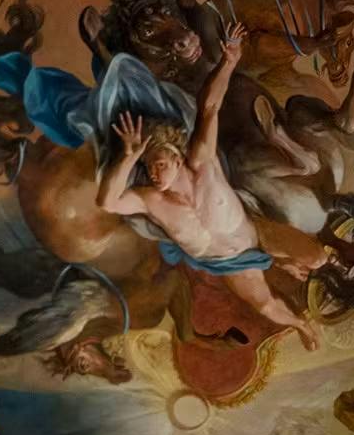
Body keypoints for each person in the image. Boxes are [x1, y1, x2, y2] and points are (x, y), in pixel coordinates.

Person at [96, 25, 319, 352]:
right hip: (225, 262)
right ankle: (301, 323)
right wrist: (130, 158)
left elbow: (209, 108)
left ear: (175, 155)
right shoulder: (151, 200)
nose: (154, 173)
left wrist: (229, 62)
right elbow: (108, 201)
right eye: (149, 169)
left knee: (316, 258)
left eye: (158, 163)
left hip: (257, 235)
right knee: (266, 306)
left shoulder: (202, 161)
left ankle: (282, 257)